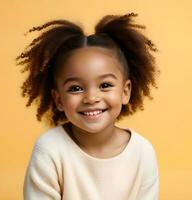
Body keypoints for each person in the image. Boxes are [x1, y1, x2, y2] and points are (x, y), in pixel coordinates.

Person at [16, 12, 160, 200]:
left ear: (125, 91)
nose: (91, 97)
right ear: (58, 99)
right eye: (75, 88)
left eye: (105, 85)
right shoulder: (50, 149)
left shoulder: (142, 152)